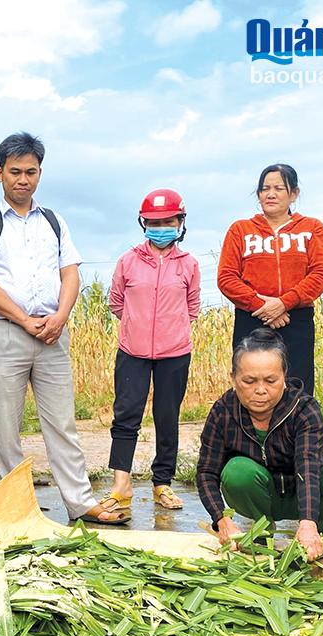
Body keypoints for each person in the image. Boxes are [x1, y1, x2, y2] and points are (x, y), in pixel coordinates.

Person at [0, 132, 123, 525]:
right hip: (7, 333)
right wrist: (23, 319)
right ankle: (16, 509)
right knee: (6, 426)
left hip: (53, 334)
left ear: (40, 173)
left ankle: (80, 503)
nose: (23, 179)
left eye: (30, 171)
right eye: (14, 171)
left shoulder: (54, 221)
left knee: (62, 423)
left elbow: (70, 273)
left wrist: (60, 317)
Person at [196, 329, 323, 560]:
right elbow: (206, 472)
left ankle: (315, 532)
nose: (260, 390)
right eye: (249, 381)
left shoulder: (304, 409)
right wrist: (221, 520)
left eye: (270, 380)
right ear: (233, 378)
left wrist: (308, 522)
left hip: (304, 494)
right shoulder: (223, 410)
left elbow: (308, 467)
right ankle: (262, 530)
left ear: (284, 376)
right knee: (237, 471)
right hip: (261, 494)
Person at [105, 189, 201, 521]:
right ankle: (121, 484)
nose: (161, 227)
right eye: (154, 222)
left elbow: (193, 308)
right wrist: (138, 325)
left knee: (167, 416)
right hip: (132, 351)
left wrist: (169, 330)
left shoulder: (189, 265)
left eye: (168, 221)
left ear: (180, 223)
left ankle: (162, 483)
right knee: (126, 415)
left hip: (175, 353)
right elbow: (116, 302)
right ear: (143, 224)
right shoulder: (127, 261)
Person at [217, 164, 323, 395]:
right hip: (251, 317)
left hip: (296, 319)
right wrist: (261, 305)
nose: (270, 194)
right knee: (251, 383)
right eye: (264, 188)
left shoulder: (312, 228)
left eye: (279, 188)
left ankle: (298, 430)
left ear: (294, 194)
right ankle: (250, 431)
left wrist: (283, 303)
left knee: (296, 383)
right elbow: (227, 277)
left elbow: (321, 274)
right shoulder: (240, 230)